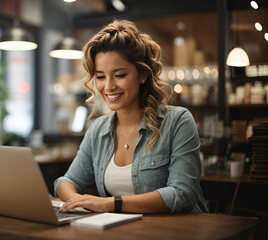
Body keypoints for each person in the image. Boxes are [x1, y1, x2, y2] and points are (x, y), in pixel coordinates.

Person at [54, 19, 208, 214]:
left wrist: (110, 204)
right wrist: (77, 201)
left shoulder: (177, 122)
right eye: (100, 77)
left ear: (142, 74)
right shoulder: (98, 129)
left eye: (119, 75)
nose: (108, 86)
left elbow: (182, 194)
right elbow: (66, 182)